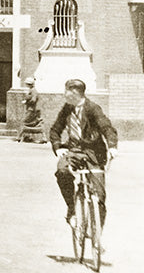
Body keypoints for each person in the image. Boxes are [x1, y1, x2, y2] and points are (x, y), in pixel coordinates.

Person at [50, 78, 117, 230]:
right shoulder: (67, 108)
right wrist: (58, 147)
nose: (64, 95)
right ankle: (71, 208)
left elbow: (107, 127)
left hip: (94, 153)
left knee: (99, 195)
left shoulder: (93, 108)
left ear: (75, 93)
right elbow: (55, 130)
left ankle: (96, 231)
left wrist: (112, 146)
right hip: (74, 151)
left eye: (66, 92)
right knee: (62, 172)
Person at [18, 77, 44, 143]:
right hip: (31, 109)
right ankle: (27, 136)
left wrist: (26, 102)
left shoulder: (33, 91)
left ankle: (20, 137)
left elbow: (33, 100)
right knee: (28, 123)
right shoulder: (31, 90)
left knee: (24, 122)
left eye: (27, 84)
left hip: (32, 110)